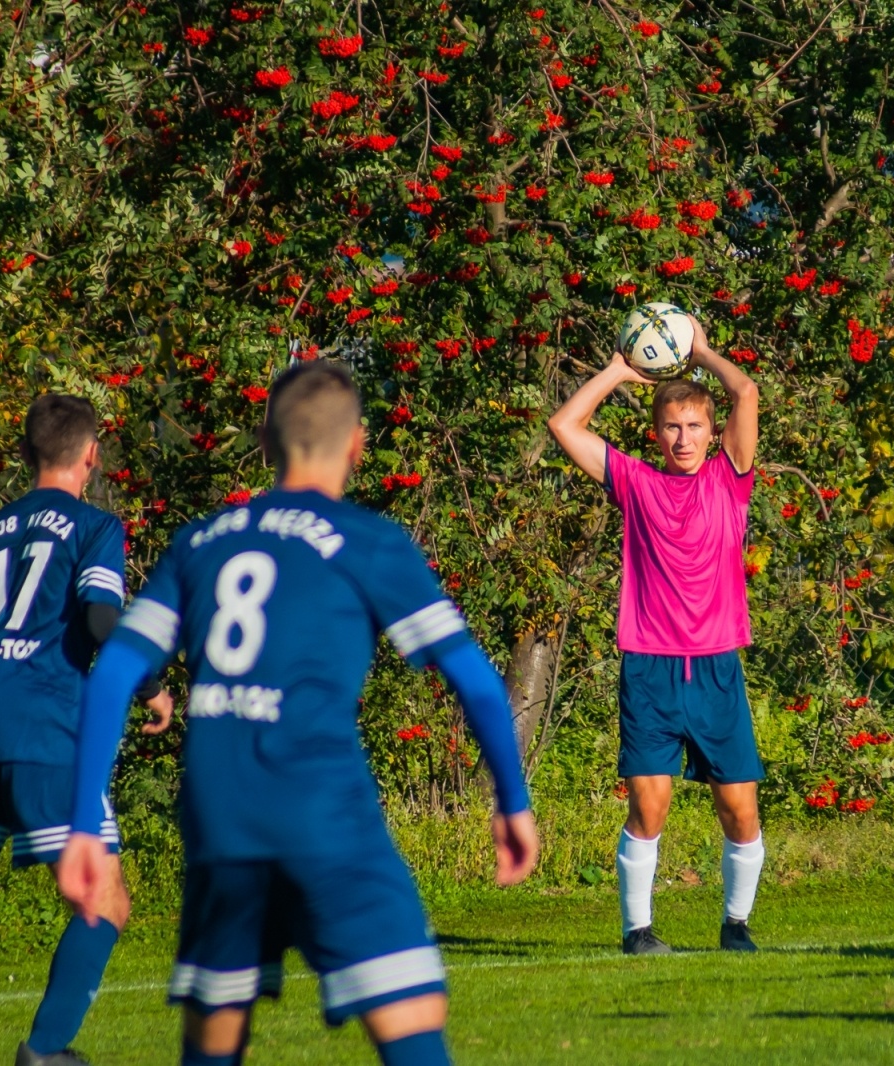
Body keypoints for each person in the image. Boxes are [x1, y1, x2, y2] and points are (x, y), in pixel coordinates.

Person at [55, 361, 539, 1066]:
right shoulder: (368, 541)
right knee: (411, 1011)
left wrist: (82, 831)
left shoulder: (202, 541)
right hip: (323, 813)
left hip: (220, 819)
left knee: (215, 1028)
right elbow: (476, 680)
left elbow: (114, 675)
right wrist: (512, 801)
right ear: (357, 446)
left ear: (265, 440)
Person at [0, 393, 174, 1066]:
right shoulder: (94, 528)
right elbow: (100, 621)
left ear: (24, 454)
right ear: (92, 454)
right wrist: (151, 686)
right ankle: (45, 1051)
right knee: (103, 899)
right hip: (47, 731)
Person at [546, 316, 764, 955]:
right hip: (649, 667)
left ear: (711, 432)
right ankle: (637, 933)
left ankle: (736, 927)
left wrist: (699, 350)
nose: (684, 437)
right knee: (650, 807)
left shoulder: (731, 479)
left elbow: (745, 393)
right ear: (657, 433)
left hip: (717, 666)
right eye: (672, 426)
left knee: (741, 812)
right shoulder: (636, 482)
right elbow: (564, 427)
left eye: (696, 426)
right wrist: (618, 371)